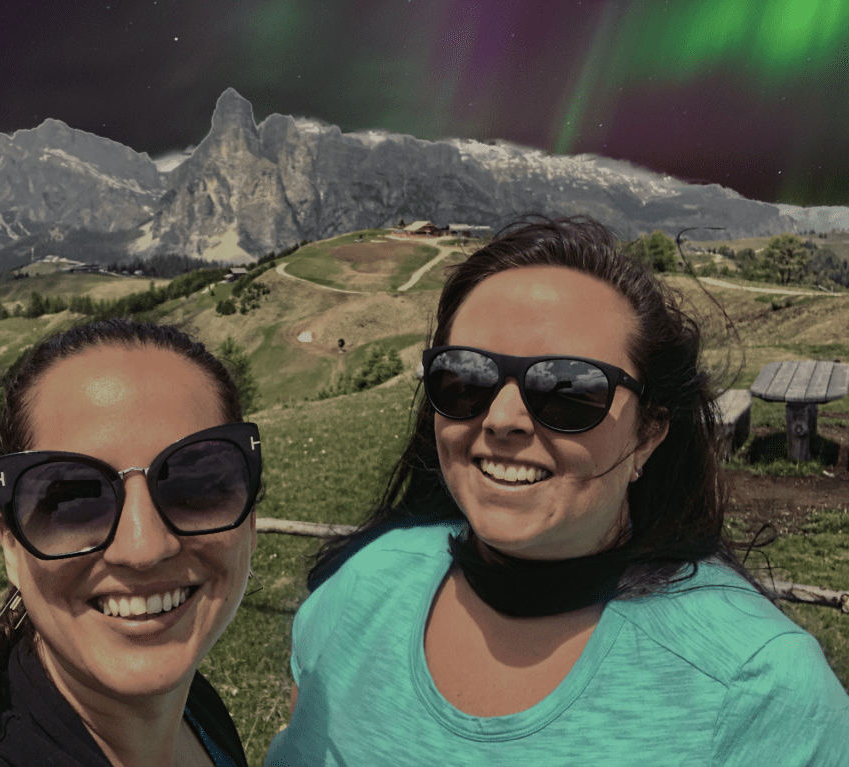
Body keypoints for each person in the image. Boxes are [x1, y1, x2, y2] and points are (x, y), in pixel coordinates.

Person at [266, 216, 849, 765]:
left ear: (648, 434)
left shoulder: (759, 689)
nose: (503, 419)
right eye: (465, 377)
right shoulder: (358, 591)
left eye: (569, 391)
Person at [0, 319, 258, 767]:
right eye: (73, 499)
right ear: (12, 548)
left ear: (249, 520)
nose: (143, 548)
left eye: (195, 485)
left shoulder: (198, 709)